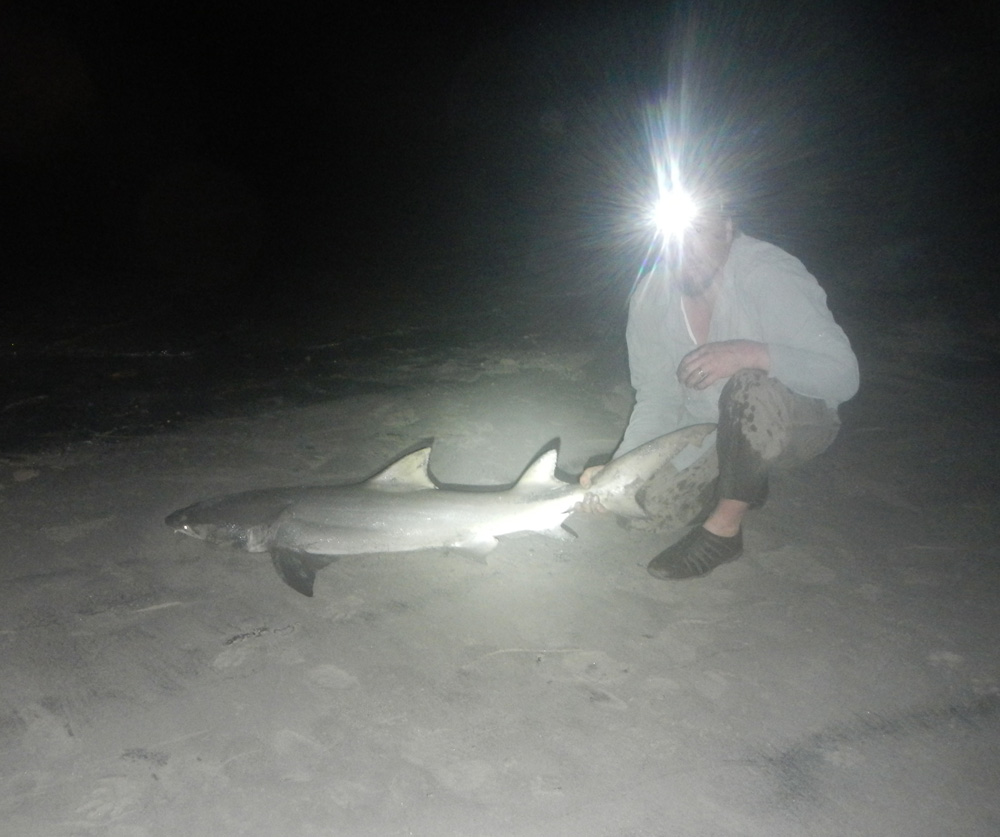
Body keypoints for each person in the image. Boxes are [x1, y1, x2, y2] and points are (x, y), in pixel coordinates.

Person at [580, 194, 859, 579]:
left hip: (799, 419)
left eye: (696, 231)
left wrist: (750, 353)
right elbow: (657, 397)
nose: (683, 249)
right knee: (642, 509)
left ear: (727, 229)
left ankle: (724, 530)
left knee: (749, 385)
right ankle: (743, 476)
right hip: (711, 428)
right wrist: (620, 468)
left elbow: (843, 376)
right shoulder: (650, 294)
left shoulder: (768, 273)